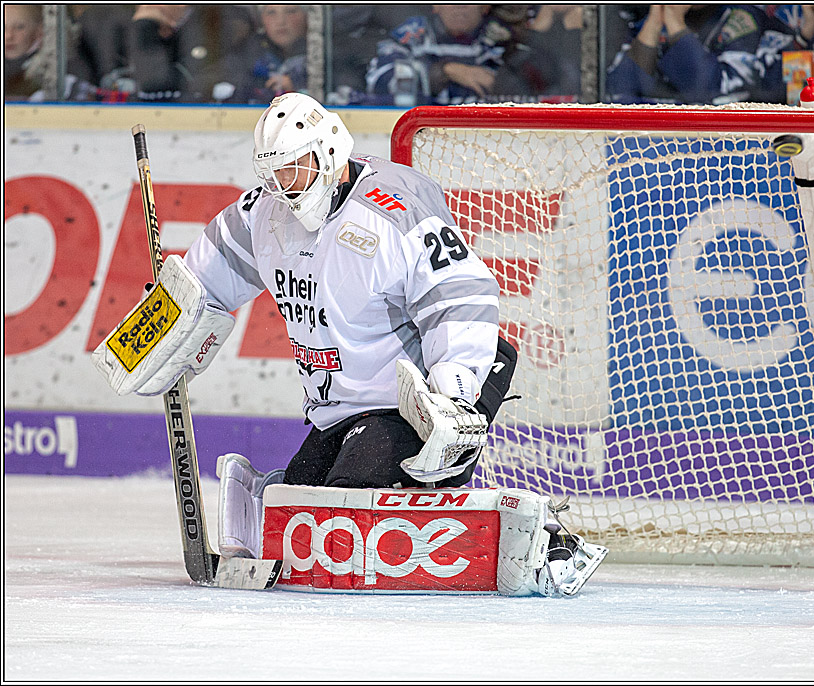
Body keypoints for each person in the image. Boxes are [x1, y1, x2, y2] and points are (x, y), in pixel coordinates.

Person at [93, 92, 603, 595]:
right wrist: (164, 323)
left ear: (330, 150)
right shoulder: (263, 214)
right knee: (296, 518)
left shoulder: (392, 208)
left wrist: (453, 396)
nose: (284, 186)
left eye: (295, 168)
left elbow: (460, 294)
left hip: (419, 402)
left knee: (342, 523)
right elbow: (205, 282)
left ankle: (544, 542)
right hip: (341, 413)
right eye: (272, 173)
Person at [606, 4, 814, 105]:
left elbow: (715, 91)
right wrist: (654, 21)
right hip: (648, 149)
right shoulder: (646, 21)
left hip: (722, 155)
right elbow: (616, 93)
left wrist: (675, 25)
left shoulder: (742, 17)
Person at [365, 4, 529, 105]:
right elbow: (379, 80)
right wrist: (444, 72)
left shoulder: (503, 40)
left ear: (485, 7)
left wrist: (503, 84)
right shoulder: (414, 33)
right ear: (435, 5)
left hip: (487, 138)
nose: (459, 5)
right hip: (425, 136)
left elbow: (531, 90)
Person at [126, 4, 253, 102]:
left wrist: (144, 25)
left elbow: (155, 81)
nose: (145, 8)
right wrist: (145, 26)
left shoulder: (216, 21)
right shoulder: (143, 27)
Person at [219, 5, 308, 104]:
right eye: (271, 13)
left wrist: (297, 84)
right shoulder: (246, 52)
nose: (281, 21)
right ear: (261, 19)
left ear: (307, 16)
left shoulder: (324, 51)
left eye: (291, 11)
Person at [4, 4, 45, 101]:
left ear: (39, 31)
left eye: (19, 27)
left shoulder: (50, 67)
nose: (9, 36)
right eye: (3, 27)